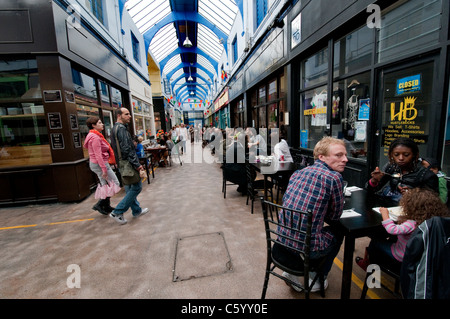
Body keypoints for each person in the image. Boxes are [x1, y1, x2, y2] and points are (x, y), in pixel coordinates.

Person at [277, 136, 348, 292]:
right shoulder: (334, 177)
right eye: (338, 155)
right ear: (321, 157)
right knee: (339, 231)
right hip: (306, 246)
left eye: (345, 155)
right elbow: (335, 217)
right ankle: (318, 277)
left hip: (283, 238)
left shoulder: (298, 172)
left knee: (313, 227)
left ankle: (291, 270)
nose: (345, 159)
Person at [355, 188, 449, 270]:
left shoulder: (411, 223)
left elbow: (392, 230)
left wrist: (385, 214)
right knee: (388, 238)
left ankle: (368, 264)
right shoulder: (432, 221)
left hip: (402, 255)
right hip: (422, 257)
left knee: (375, 241)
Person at [367, 137, 439, 206]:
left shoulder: (426, 174)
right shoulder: (391, 167)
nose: (401, 158)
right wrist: (374, 181)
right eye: (396, 155)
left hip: (412, 209)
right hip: (389, 205)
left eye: (406, 155)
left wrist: (414, 195)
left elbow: (433, 201)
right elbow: (371, 190)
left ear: (414, 155)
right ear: (391, 155)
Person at [110, 107, 149, 225]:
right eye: (126, 114)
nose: (129, 116)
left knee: (129, 188)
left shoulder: (115, 129)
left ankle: (136, 210)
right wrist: (137, 165)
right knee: (137, 187)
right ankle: (118, 211)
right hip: (127, 163)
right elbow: (127, 149)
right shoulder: (121, 129)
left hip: (122, 163)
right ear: (119, 115)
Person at [84, 116, 121, 215]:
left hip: (97, 164)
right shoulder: (95, 138)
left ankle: (106, 205)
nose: (102, 124)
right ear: (93, 125)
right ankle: (100, 204)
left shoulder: (93, 135)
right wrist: (104, 169)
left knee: (105, 185)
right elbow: (98, 155)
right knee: (115, 183)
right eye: (99, 123)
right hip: (100, 164)